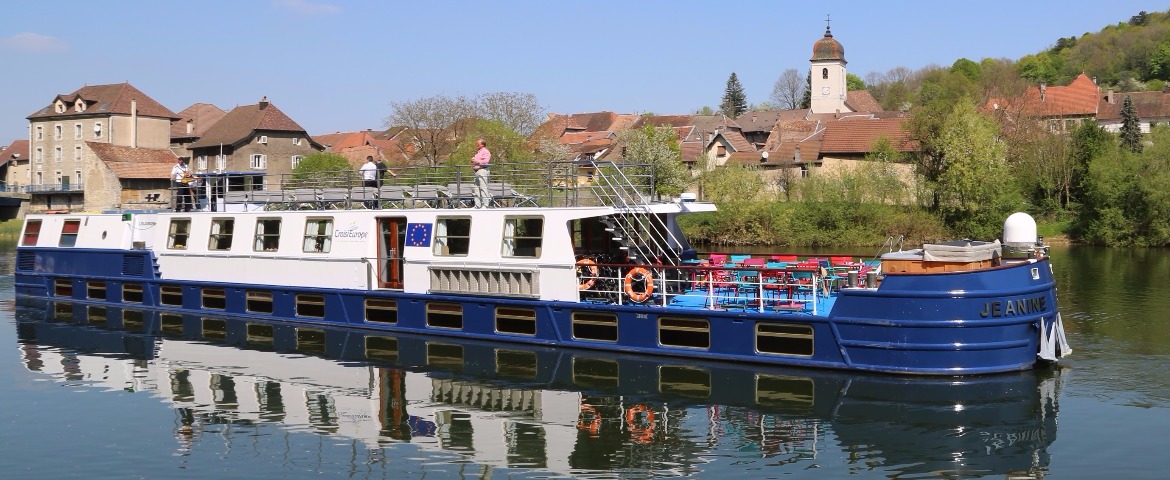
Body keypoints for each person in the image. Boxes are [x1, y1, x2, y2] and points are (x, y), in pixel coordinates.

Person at [471, 138, 491, 208]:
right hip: (476, 171)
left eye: (478, 144)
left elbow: (486, 161)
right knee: (476, 188)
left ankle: (485, 205)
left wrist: (476, 161)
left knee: (483, 187)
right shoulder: (478, 152)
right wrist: (473, 161)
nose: (476, 145)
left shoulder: (485, 151)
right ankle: (477, 205)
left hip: (482, 170)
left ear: (482, 144)